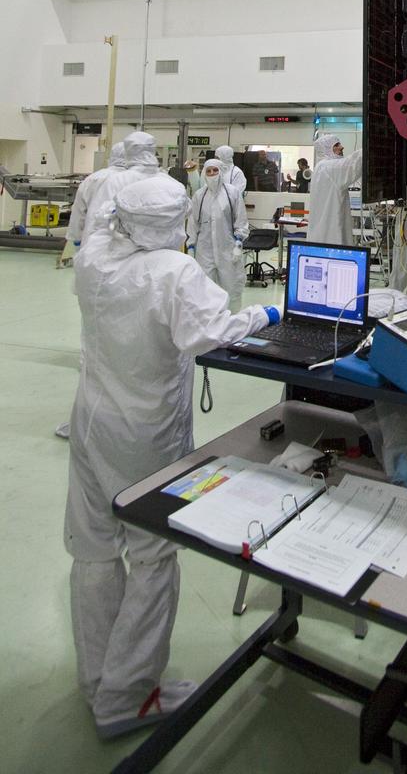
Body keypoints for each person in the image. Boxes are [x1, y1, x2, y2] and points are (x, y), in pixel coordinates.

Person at [64, 175, 280, 739]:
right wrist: (270, 315)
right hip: (144, 434)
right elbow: (215, 334)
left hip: (90, 421)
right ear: (176, 220)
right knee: (153, 554)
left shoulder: (95, 260)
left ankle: (97, 680)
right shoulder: (173, 272)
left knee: (92, 548)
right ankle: (130, 695)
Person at [187, 158, 250, 311]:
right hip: (205, 250)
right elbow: (193, 223)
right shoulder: (199, 196)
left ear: (221, 171)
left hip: (228, 249)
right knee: (204, 288)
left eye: (215, 170)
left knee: (231, 285)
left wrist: (238, 243)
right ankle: (210, 322)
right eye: (208, 171)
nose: (212, 174)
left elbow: (240, 220)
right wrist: (190, 246)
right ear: (204, 174)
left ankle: (232, 319)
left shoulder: (232, 193)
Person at [66, 142, 129, 250]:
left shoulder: (92, 179)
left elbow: (79, 211)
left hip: (91, 242)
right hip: (125, 244)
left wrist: (76, 237)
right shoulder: (136, 179)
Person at [306, 134, 362, 246]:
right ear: (327, 149)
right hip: (331, 235)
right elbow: (353, 164)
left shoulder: (321, 167)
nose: (342, 147)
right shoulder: (328, 167)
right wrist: (369, 146)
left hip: (321, 233)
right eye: (336, 145)